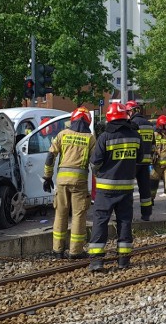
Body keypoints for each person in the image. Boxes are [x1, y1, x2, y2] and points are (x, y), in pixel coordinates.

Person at [88, 102, 141, 272]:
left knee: (101, 221)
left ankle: (97, 261)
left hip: (106, 189)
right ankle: (123, 260)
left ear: (110, 118)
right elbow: (140, 160)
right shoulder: (135, 135)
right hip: (126, 188)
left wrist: (99, 172)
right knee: (124, 221)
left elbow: (95, 162)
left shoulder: (105, 137)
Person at [42, 107, 96, 259]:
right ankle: (75, 252)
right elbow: (95, 163)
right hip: (79, 181)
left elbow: (50, 156)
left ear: (73, 120)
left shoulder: (62, 134)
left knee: (60, 213)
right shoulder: (90, 138)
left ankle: (57, 250)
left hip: (61, 181)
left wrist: (47, 177)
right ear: (87, 122)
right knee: (79, 215)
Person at [125, 100, 154, 221]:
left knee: (127, 189)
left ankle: (126, 215)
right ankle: (146, 215)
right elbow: (153, 144)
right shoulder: (148, 124)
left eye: (127, 112)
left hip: (134, 161)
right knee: (145, 189)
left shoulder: (132, 123)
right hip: (146, 162)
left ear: (131, 111)